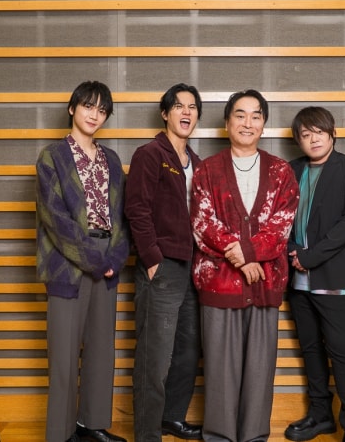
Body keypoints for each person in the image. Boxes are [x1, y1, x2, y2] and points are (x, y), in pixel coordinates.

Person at [190, 89, 299, 441]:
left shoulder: (281, 172)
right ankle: (219, 437)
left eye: (255, 116)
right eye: (240, 115)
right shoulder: (207, 170)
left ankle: (253, 436)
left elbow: (281, 226)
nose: (247, 122)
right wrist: (241, 259)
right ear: (227, 123)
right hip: (219, 283)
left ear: (263, 124)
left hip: (265, 284)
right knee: (219, 370)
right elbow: (203, 223)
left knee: (259, 370)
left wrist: (248, 254)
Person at [35, 81, 130, 442]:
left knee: (101, 349)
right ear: (72, 108)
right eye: (89, 106)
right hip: (67, 264)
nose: (95, 115)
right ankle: (61, 434)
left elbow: (122, 216)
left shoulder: (112, 160)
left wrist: (115, 257)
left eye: (102, 110)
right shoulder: (52, 156)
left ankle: (92, 424)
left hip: (107, 261)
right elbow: (55, 218)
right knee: (63, 354)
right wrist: (94, 259)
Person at [284, 107, 345, 442]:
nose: (313, 139)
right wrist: (294, 252)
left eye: (319, 131)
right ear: (298, 141)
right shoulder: (292, 169)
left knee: (341, 352)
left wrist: (310, 257)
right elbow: (280, 219)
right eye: (305, 134)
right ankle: (320, 415)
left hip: (332, 279)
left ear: (332, 133)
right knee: (310, 349)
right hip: (297, 281)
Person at [125, 84, 204, 441]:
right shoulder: (150, 154)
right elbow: (136, 209)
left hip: (193, 267)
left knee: (187, 350)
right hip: (162, 266)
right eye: (178, 106)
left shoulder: (197, 162)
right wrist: (152, 258)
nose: (186, 112)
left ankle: (172, 417)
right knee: (154, 356)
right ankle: (147, 433)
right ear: (165, 113)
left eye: (192, 107)